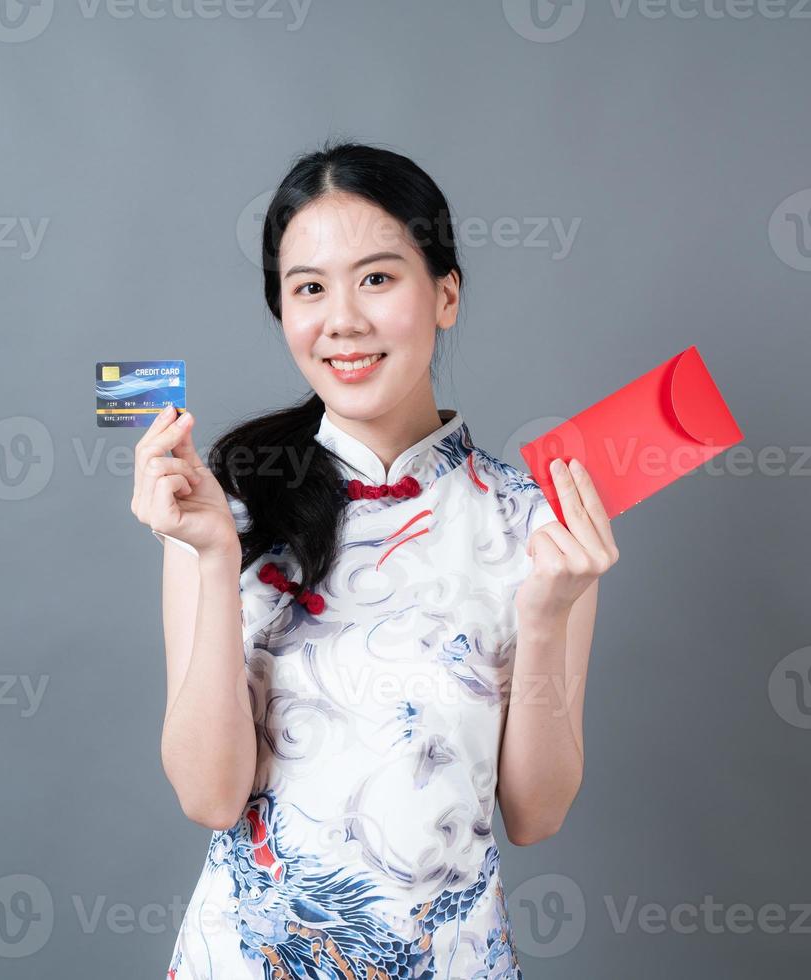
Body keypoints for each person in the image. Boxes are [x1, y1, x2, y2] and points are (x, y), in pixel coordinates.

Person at [131, 140, 617, 979]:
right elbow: (210, 797)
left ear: (447, 294)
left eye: (379, 278)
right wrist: (211, 559)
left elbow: (536, 813)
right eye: (309, 288)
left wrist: (544, 618)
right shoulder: (227, 508)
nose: (342, 320)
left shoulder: (538, 522)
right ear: (282, 310)